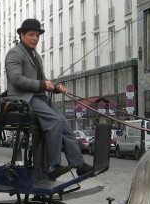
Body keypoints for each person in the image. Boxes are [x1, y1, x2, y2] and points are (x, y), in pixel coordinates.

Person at [5, 18, 92, 180]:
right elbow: (16, 79)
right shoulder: (14, 53)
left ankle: (79, 165)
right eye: (31, 34)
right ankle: (52, 165)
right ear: (21, 35)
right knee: (54, 121)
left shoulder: (35, 56)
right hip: (23, 98)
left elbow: (43, 80)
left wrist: (56, 87)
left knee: (65, 123)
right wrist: (43, 85)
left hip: (38, 97)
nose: (35, 38)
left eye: (37, 35)